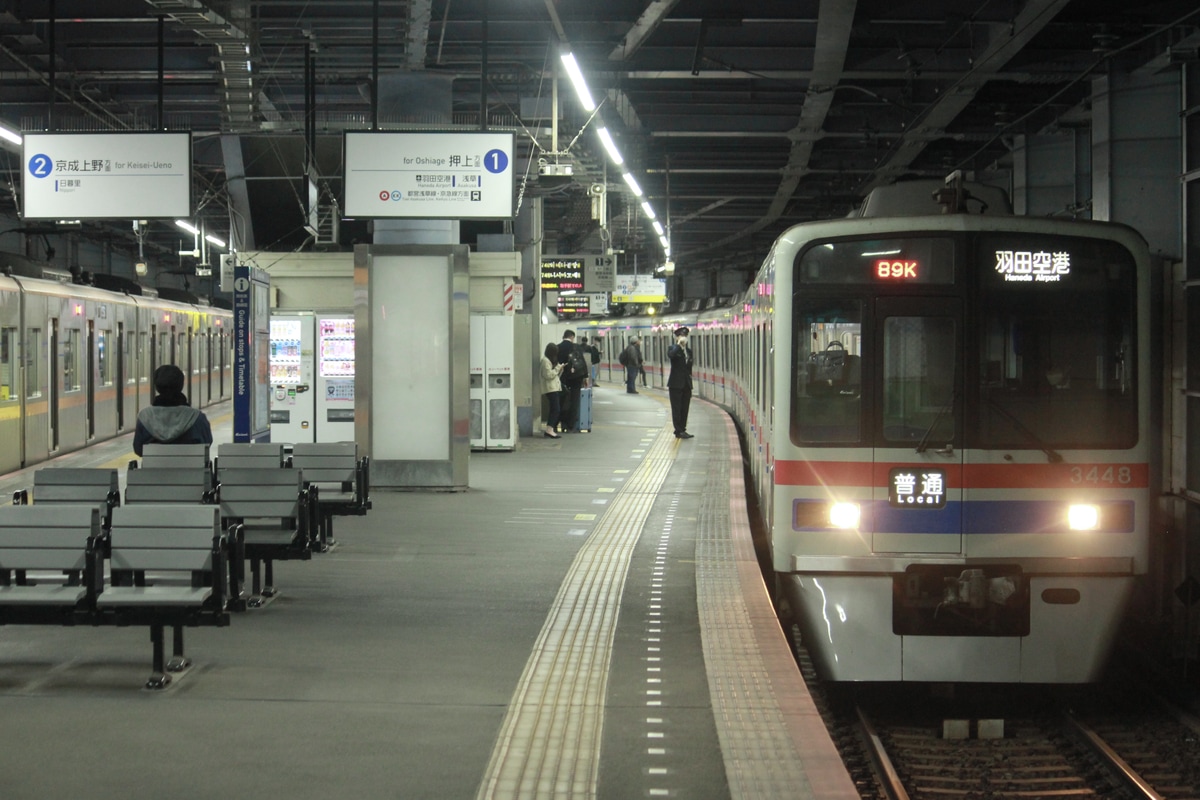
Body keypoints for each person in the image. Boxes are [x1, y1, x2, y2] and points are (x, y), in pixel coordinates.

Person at [133, 364, 214, 456]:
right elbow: (207, 443)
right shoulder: (197, 418)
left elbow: (138, 449)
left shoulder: (144, 417)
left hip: (154, 469)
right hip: (191, 470)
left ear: (156, 387)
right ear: (181, 385)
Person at [667, 326, 694, 439]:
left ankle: (683, 429)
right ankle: (678, 430)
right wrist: (678, 345)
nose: (684, 338)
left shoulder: (688, 351)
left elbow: (689, 367)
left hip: (686, 384)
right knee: (676, 408)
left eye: (685, 336)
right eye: (681, 336)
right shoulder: (672, 348)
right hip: (675, 384)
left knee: (685, 408)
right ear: (677, 337)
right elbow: (671, 355)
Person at [556, 329, 586, 432]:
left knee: (561, 401)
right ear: (572, 337)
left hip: (562, 378)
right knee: (574, 401)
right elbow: (582, 363)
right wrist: (585, 377)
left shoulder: (558, 347)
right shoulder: (576, 347)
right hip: (576, 377)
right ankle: (570, 425)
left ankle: (558, 423)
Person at [540, 342, 564, 438]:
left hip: (553, 388)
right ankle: (549, 430)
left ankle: (550, 429)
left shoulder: (548, 361)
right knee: (556, 409)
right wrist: (558, 368)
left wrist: (559, 370)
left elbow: (554, 376)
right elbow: (548, 375)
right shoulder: (545, 361)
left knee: (555, 409)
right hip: (550, 389)